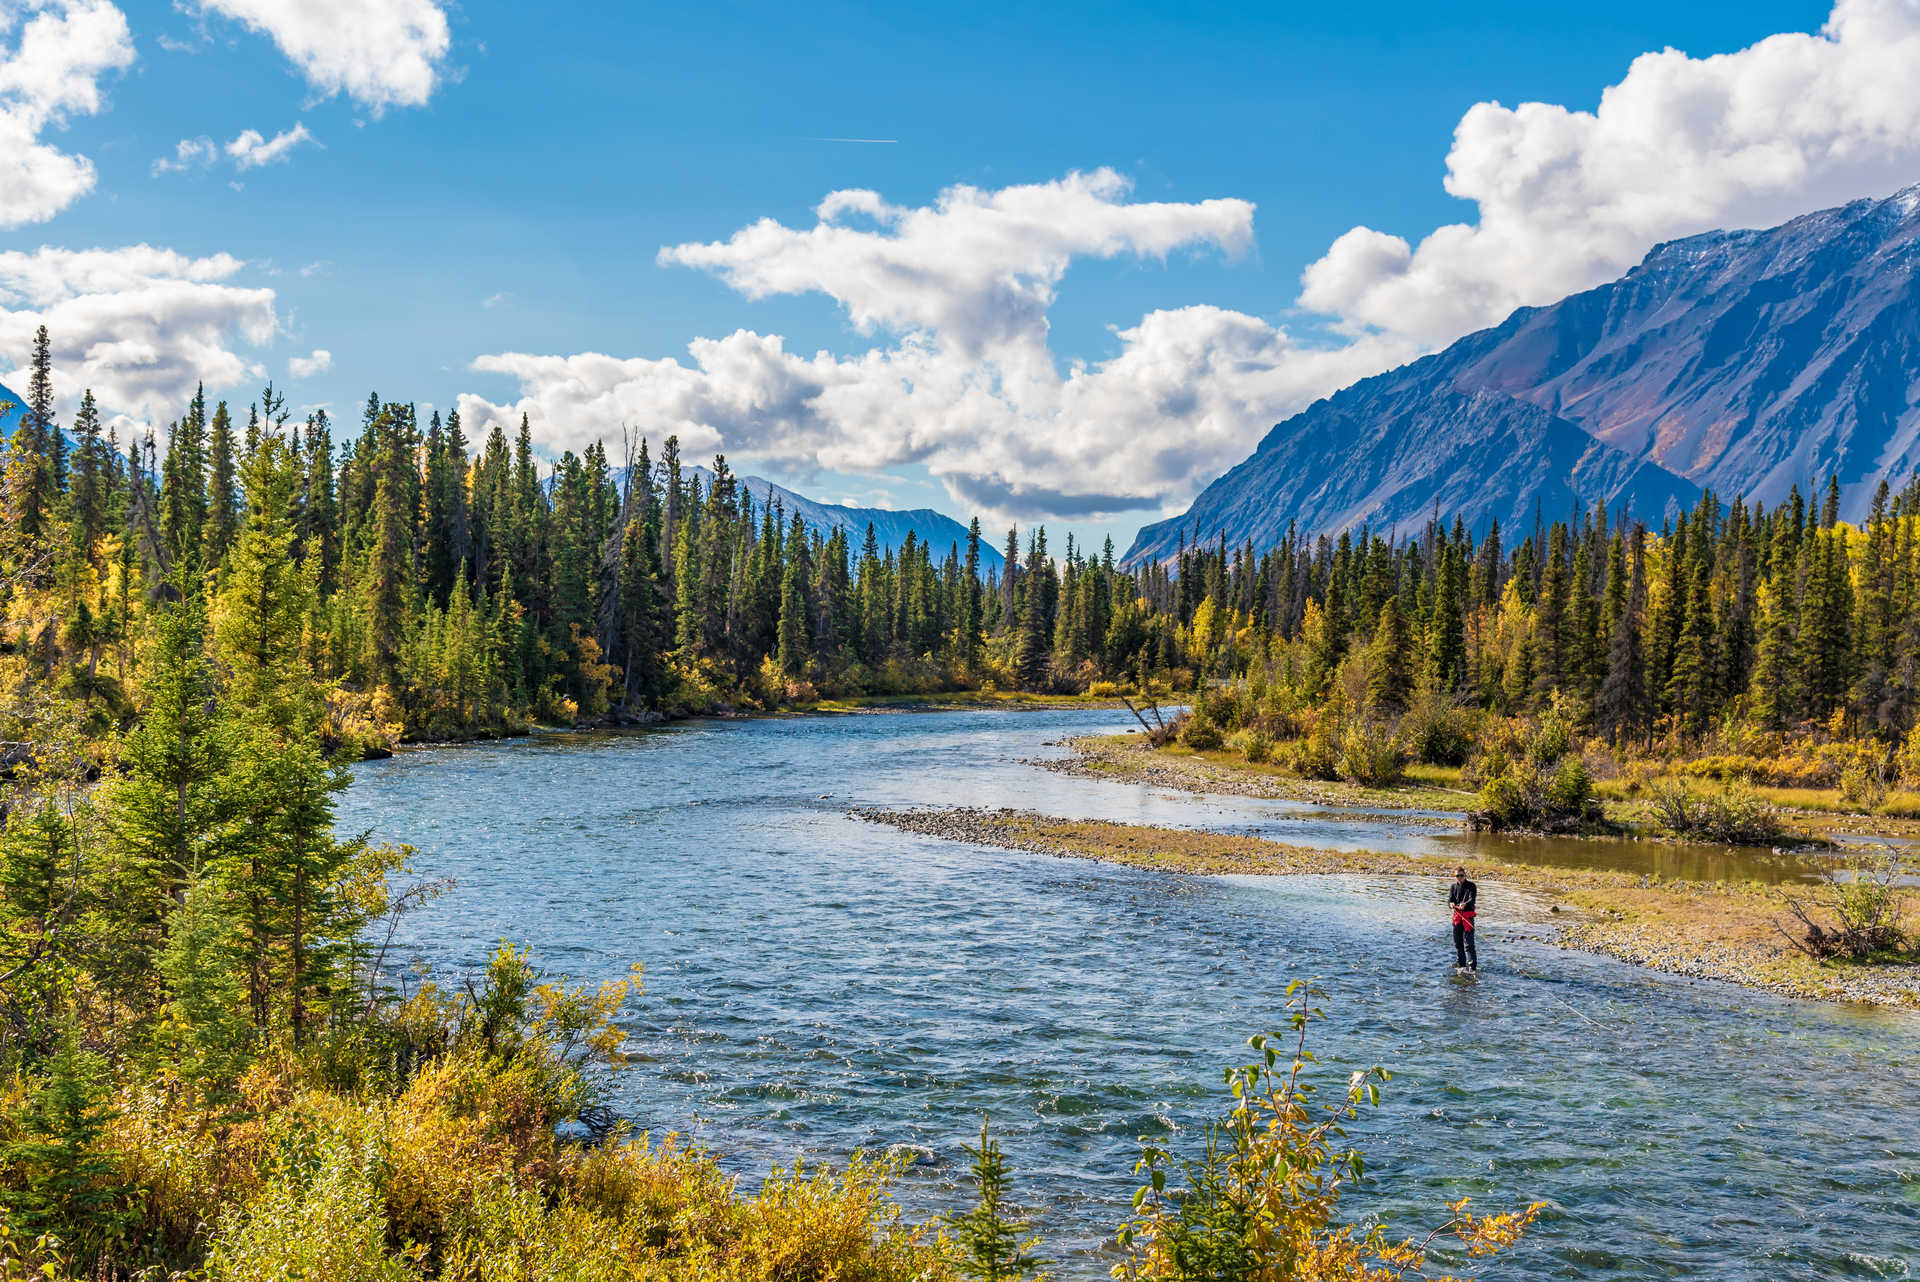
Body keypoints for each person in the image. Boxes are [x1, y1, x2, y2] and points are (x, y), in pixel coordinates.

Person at [1448, 866, 1478, 971]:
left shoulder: (1471, 886)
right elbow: (1450, 900)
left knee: (1469, 944)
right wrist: (1451, 904)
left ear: (1465, 875)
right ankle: (1461, 965)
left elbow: (1472, 899)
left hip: (1467, 917)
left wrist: (1465, 904)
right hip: (1457, 917)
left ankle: (1472, 967)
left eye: (1461, 875)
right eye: (1457, 876)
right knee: (1458, 943)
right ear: (1455, 876)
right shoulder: (1453, 887)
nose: (1459, 878)